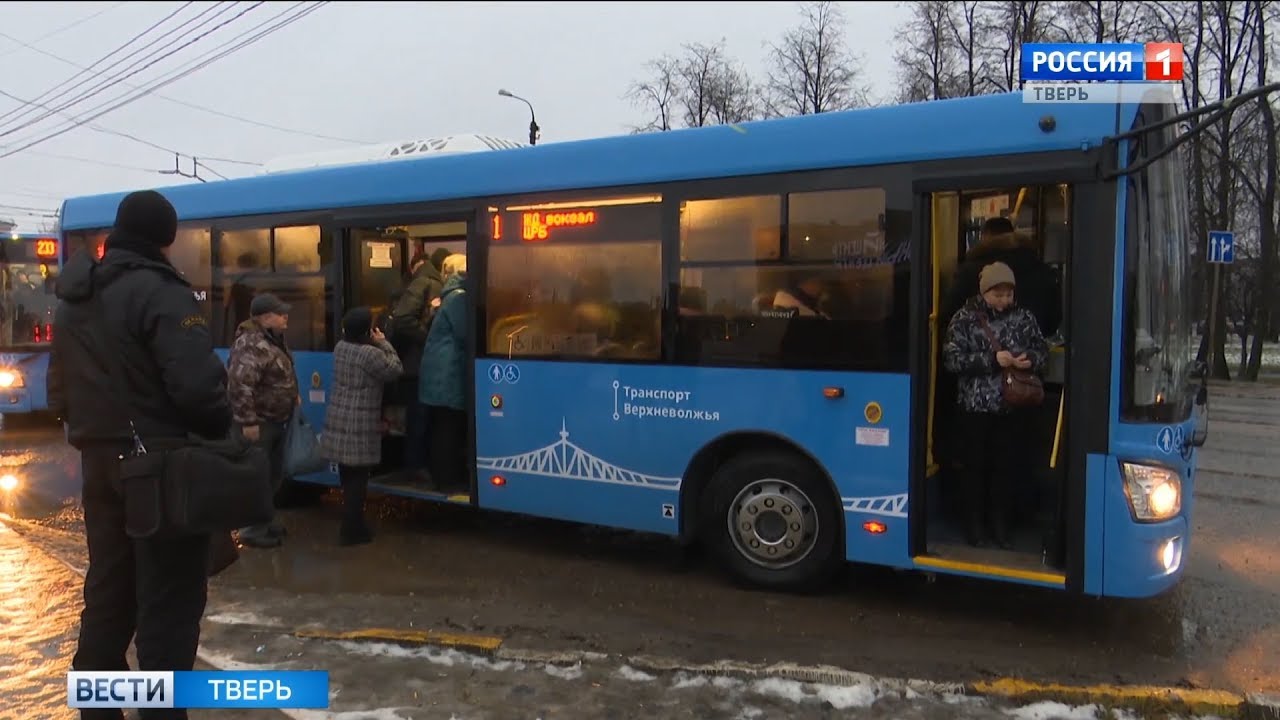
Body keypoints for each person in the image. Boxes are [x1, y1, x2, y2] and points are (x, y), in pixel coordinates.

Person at [46, 189, 233, 720]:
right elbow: (200, 392)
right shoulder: (161, 292)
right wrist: (221, 430)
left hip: (99, 466)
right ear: (165, 238)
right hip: (160, 471)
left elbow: (58, 394)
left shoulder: (75, 298)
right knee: (168, 607)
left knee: (110, 592)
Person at [942, 261, 1048, 549]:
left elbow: (1042, 350)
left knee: (1006, 469)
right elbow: (951, 360)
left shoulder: (1024, 318)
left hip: (1011, 407)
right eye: (997, 294)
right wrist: (991, 360)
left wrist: (1029, 360)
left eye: (1008, 294)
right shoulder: (964, 319)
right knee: (974, 469)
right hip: (975, 408)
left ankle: (1000, 527)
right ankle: (974, 527)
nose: (1004, 301)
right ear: (984, 291)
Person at [318, 307, 404, 545]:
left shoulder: (340, 348)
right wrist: (384, 343)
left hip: (340, 417)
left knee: (348, 475)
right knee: (358, 479)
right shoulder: (369, 354)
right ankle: (352, 529)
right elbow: (395, 369)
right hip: (360, 421)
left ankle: (352, 524)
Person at [226, 292, 299, 549]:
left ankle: (265, 521)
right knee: (256, 477)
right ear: (266, 318)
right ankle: (251, 529)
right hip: (260, 423)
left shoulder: (274, 339)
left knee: (273, 475)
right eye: (281, 313)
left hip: (276, 420)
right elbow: (240, 385)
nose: (285, 316)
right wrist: (248, 422)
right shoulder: (250, 343)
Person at [386, 248, 447, 484]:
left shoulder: (422, 282)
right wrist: (429, 338)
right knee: (421, 417)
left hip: (416, 363)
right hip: (418, 363)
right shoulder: (428, 283)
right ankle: (415, 465)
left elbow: (401, 319)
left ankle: (416, 464)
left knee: (421, 417)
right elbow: (404, 320)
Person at [419, 254, 469, 495]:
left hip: (440, 373)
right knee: (448, 427)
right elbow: (466, 333)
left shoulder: (451, 295)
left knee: (443, 425)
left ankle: (444, 477)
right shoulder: (459, 299)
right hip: (447, 374)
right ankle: (447, 479)